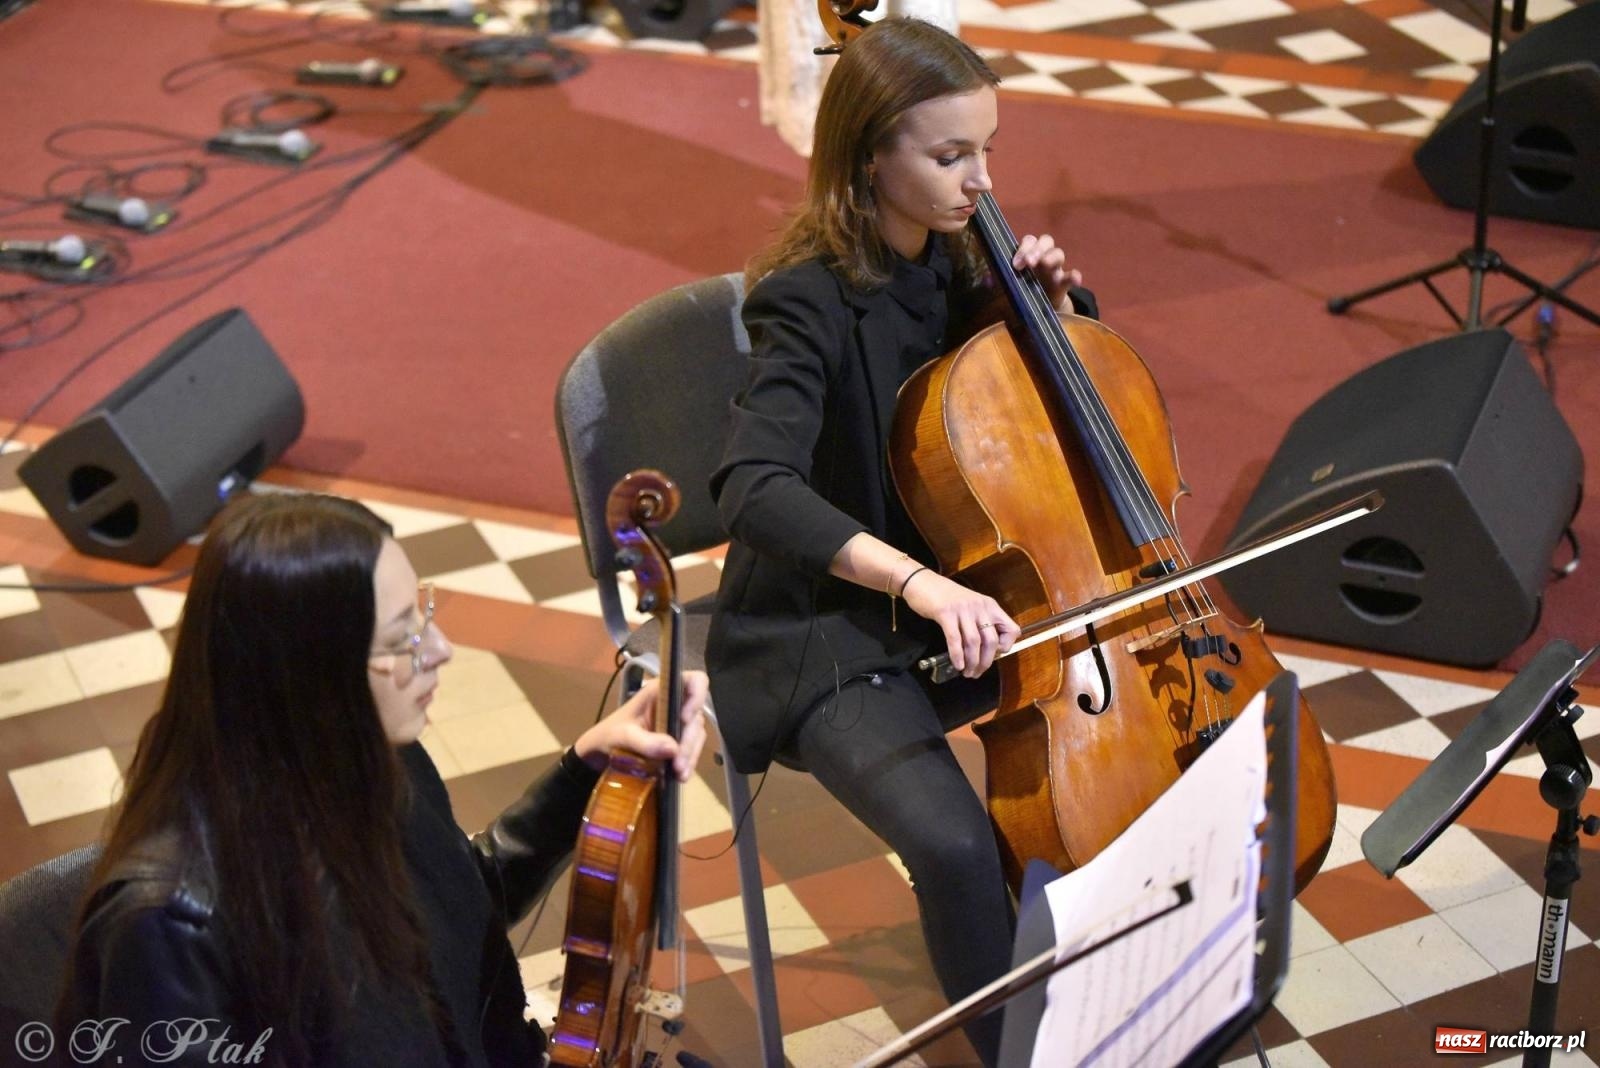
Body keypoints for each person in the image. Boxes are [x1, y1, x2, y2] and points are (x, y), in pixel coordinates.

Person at [706, 17, 1096, 1066]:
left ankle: (1087, 968)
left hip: (950, 606)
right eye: (949, 155)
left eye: (986, 150)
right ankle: (1024, 1048)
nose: (979, 180)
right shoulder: (805, 299)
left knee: (1087, 748)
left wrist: (1043, 312)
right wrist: (920, 585)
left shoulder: (954, 255)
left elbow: (1001, 419)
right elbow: (753, 488)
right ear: (869, 154)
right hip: (820, 636)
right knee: (952, 843)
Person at [58, 492, 707, 1067]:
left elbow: (451, 909)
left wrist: (586, 768)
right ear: (312, 678)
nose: (442, 648)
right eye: (404, 638)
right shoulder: (169, 927)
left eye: (422, 610)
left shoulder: (377, 759)